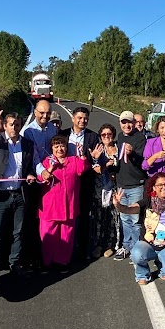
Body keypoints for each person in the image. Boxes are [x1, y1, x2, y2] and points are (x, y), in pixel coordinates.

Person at [0, 104, 35, 275]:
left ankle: (14, 263)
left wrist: (31, 174)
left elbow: (28, 167)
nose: (14, 128)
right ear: (5, 126)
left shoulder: (27, 144)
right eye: (11, 124)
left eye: (17, 125)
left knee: (18, 232)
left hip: (19, 194)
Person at [37, 136, 91, 272]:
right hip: (50, 206)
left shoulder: (73, 160)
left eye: (62, 146)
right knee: (48, 235)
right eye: (56, 146)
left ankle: (62, 261)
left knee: (66, 235)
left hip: (68, 205)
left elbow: (84, 168)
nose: (60, 149)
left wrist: (83, 155)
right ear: (52, 149)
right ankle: (47, 262)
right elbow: (40, 178)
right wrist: (50, 168)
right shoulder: (46, 162)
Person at [58, 106, 104, 261]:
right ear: (73, 118)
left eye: (85, 118)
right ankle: (65, 247)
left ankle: (83, 249)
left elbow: (95, 160)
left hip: (84, 181)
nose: (82, 121)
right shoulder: (63, 134)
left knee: (84, 215)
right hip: (65, 183)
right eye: (79, 118)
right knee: (66, 216)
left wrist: (95, 158)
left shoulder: (92, 137)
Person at [19, 99, 57, 268]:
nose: (45, 116)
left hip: (49, 176)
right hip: (34, 177)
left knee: (48, 215)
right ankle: (31, 255)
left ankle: (48, 249)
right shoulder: (28, 131)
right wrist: (42, 171)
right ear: (35, 113)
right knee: (32, 217)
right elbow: (33, 157)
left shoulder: (52, 129)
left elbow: (53, 151)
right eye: (41, 113)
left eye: (48, 113)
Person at [113, 110, 147, 261]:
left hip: (135, 184)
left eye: (129, 122)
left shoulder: (140, 138)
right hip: (121, 184)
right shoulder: (119, 137)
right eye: (123, 122)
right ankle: (126, 246)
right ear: (120, 124)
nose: (127, 125)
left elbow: (143, 162)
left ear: (134, 123)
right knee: (124, 218)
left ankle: (136, 248)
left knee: (135, 219)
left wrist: (133, 153)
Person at [92, 123, 122, 258]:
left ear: (113, 135)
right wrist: (105, 165)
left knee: (113, 218)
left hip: (115, 188)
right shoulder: (98, 150)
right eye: (103, 135)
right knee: (99, 218)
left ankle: (111, 245)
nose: (106, 137)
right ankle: (98, 245)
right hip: (100, 188)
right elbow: (95, 169)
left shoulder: (119, 149)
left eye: (109, 134)